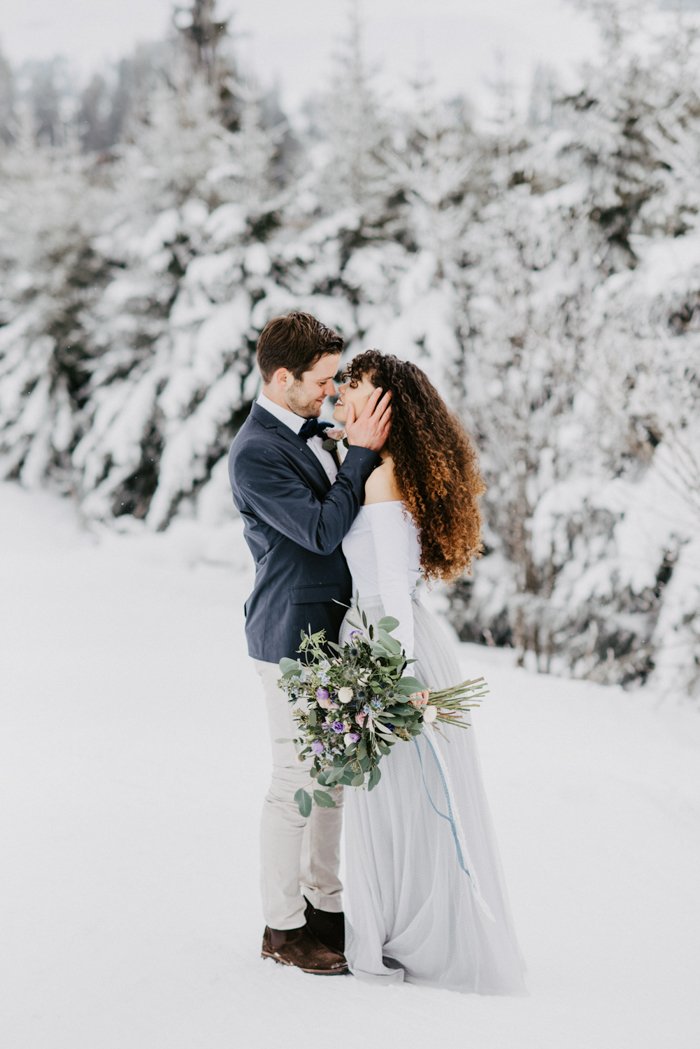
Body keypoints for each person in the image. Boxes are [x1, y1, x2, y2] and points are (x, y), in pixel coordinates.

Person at [332, 349, 527, 993]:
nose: (341, 392)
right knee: (389, 801)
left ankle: (419, 933)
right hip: (382, 637)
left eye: (355, 386)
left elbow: (390, 584)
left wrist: (394, 679)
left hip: (393, 646)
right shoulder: (372, 467)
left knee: (411, 800)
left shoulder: (383, 478)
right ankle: (394, 922)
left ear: (387, 407)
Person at [228, 313, 391, 976]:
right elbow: (321, 531)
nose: (330, 390)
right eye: (321, 379)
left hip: (334, 629)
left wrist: (341, 442)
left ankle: (326, 908)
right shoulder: (255, 451)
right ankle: (281, 926)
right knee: (295, 777)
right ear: (281, 376)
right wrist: (359, 452)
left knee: (333, 782)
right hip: (290, 635)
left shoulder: (307, 429)